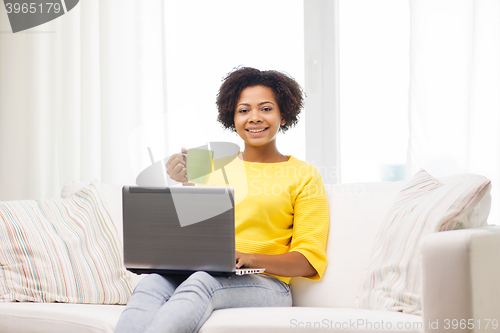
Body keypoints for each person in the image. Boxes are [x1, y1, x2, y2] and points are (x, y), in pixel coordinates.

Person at [114, 67, 329, 333]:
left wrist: (250, 258)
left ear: (283, 115)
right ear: (232, 118)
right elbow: (189, 219)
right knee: (150, 283)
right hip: (199, 271)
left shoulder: (305, 174)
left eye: (265, 109)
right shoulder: (211, 163)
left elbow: (308, 261)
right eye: (243, 110)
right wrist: (177, 176)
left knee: (201, 283)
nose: (254, 118)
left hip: (267, 284)